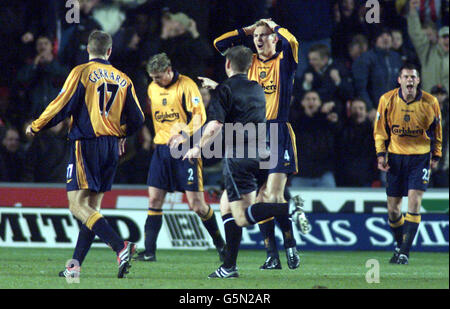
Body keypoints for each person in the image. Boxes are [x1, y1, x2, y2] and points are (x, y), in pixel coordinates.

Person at [25, 30, 145, 278]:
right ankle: (75, 266)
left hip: (87, 143)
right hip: (111, 148)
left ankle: (120, 246)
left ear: (87, 50)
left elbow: (60, 104)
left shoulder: (81, 72)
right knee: (92, 209)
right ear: (109, 51)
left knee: (76, 205)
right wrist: (121, 133)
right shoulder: (124, 79)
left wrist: (36, 125)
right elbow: (138, 119)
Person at [184, 45, 305, 278]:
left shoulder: (226, 90)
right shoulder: (257, 88)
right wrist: (219, 88)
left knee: (242, 217)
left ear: (227, 64)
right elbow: (239, 100)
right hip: (263, 153)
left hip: (239, 157)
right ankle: (229, 266)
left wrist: (198, 147)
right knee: (225, 207)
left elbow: (216, 125)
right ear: (250, 65)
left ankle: (287, 208)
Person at [211, 18, 310, 270]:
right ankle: (271, 255)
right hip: (252, 135)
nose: (259, 38)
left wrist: (273, 25)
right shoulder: (249, 63)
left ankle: (290, 244)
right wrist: (247, 30)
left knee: (273, 194)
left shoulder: (284, 62)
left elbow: (293, 41)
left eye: (264, 35)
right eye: (256, 35)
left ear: (274, 39)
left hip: (277, 131)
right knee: (258, 197)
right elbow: (219, 44)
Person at [133, 53, 226, 262]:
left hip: (186, 149)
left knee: (197, 205)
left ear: (169, 70)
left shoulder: (187, 86)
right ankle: (149, 252)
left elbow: (199, 117)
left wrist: (183, 134)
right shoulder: (152, 88)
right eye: (152, 77)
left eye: (158, 77)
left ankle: (220, 244)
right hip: (161, 150)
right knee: (155, 199)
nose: (155, 81)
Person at [373, 63, 442, 265]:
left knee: (414, 202)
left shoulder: (430, 102)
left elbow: (438, 131)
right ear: (399, 80)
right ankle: (399, 244)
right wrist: (380, 154)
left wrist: (436, 155)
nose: (410, 81)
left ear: (418, 80)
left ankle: (404, 252)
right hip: (395, 157)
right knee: (393, 210)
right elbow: (380, 131)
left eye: (413, 77)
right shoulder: (387, 100)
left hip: (420, 157)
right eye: (406, 77)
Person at [352, 27, 403, 122]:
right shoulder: (366, 58)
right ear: (375, 40)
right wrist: (369, 108)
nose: (386, 38)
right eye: (381, 36)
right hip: (373, 112)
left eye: (388, 35)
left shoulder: (396, 58)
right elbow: (360, 86)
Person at [407, 0, 449, 93]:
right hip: (429, 102)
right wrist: (413, 12)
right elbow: (416, 34)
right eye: (444, 37)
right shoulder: (427, 52)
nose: (447, 40)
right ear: (438, 39)